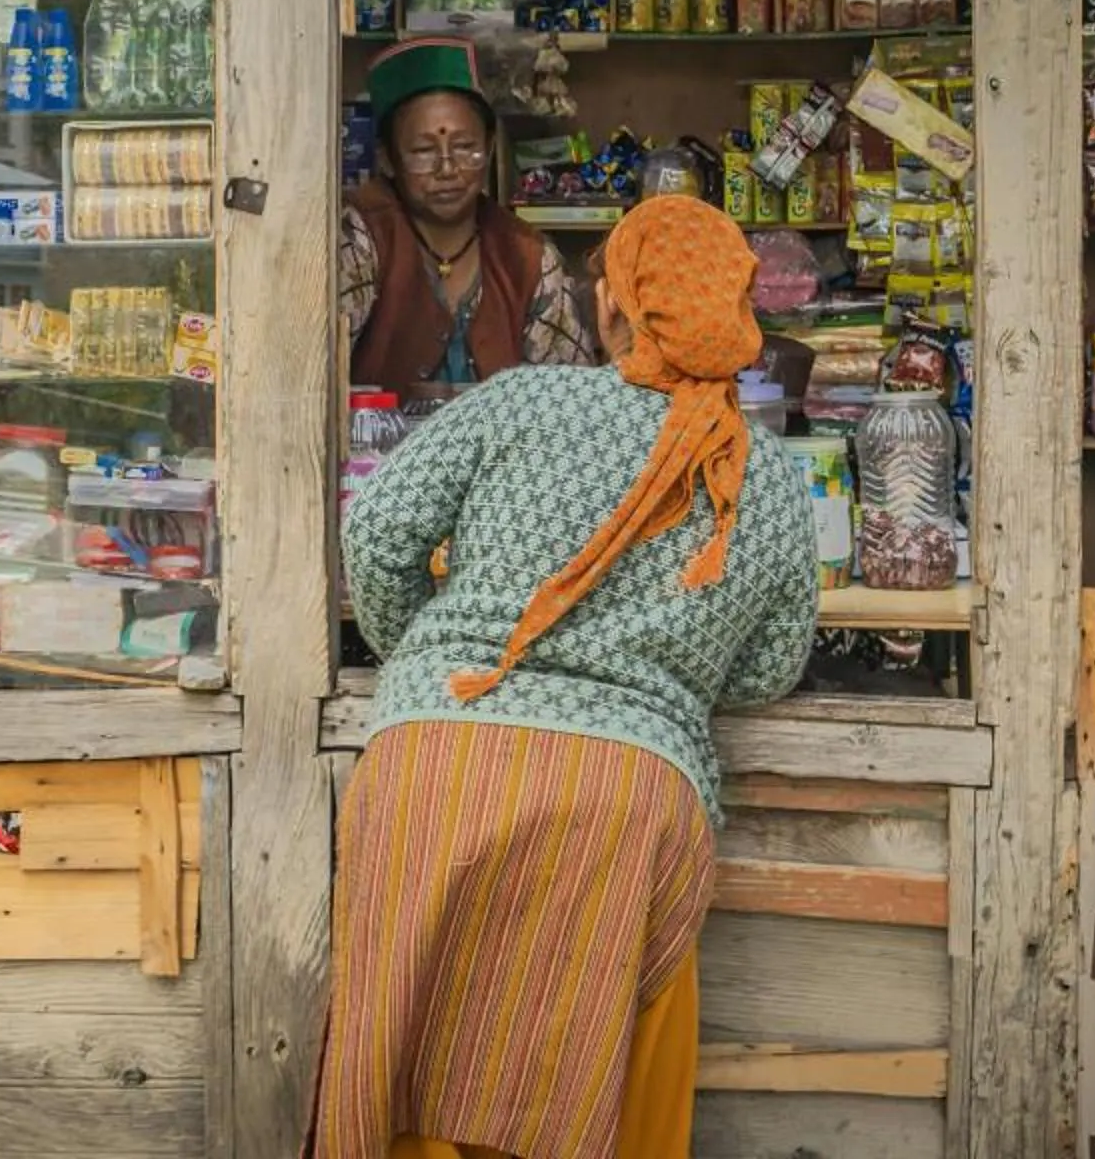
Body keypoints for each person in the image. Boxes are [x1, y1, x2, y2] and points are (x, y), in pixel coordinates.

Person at [317, 195, 822, 1159]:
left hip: (439, 767)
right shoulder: (766, 475)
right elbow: (767, 667)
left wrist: (423, 659)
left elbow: (376, 534)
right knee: (591, 1086)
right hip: (624, 800)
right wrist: (662, 657)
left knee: (405, 1065)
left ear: (616, 304)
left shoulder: (525, 399)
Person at [344, 37, 596, 388]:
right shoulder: (358, 237)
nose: (447, 168)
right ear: (388, 158)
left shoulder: (528, 256)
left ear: (490, 149)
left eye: (465, 147)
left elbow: (569, 395)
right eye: (422, 150)